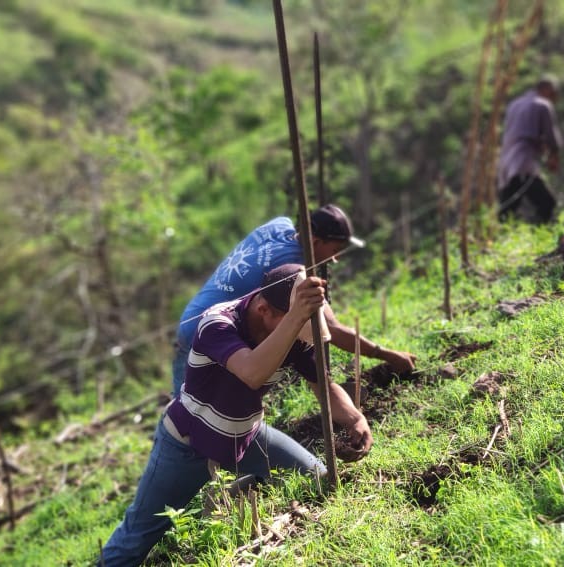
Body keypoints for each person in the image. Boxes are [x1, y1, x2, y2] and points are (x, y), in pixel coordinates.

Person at [100, 265, 372, 566]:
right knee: (134, 541)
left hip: (245, 434)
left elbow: (324, 386)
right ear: (263, 309)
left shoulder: (296, 333)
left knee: (318, 479)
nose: (299, 337)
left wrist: (355, 418)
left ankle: (230, 493)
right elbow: (252, 372)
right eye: (293, 322)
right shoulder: (217, 324)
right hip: (187, 445)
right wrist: (296, 318)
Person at [172, 204, 417, 397]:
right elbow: (331, 329)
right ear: (315, 242)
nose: (336, 259)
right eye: (335, 250)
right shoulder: (291, 270)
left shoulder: (279, 226)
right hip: (206, 333)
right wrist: (387, 355)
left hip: (191, 317)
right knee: (198, 414)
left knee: (190, 409)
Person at [497, 76, 564, 224]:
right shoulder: (542, 104)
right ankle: (538, 235)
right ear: (547, 90)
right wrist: (554, 157)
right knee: (547, 203)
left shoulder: (514, 104)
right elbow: (551, 138)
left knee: (507, 210)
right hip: (523, 163)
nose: (553, 99)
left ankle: (496, 238)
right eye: (553, 95)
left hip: (506, 164)